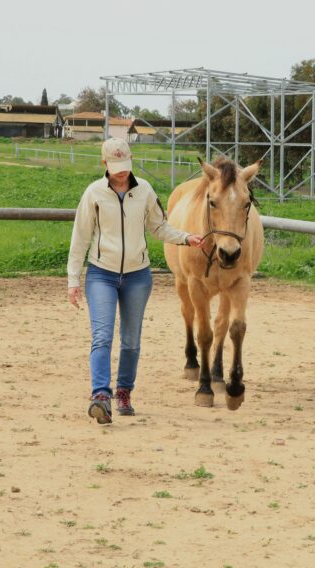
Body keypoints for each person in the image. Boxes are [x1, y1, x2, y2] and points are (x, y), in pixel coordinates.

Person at [67, 138, 203, 424]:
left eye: (125, 166)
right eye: (116, 167)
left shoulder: (144, 191)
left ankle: (124, 391)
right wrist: (73, 280)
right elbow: (80, 239)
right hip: (101, 274)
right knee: (102, 336)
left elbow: (159, 227)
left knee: (130, 340)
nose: (122, 172)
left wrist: (186, 238)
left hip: (137, 276)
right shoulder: (93, 193)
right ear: (104, 163)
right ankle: (101, 397)